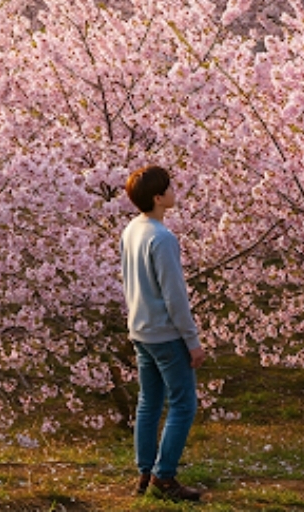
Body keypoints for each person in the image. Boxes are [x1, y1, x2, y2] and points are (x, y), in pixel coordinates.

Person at [120, 165, 206, 502]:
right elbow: (175, 297)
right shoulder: (162, 238)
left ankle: (145, 472)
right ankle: (164, 476)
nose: (173, 191)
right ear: (158, 198)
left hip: (140, 330)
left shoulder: (132, 230)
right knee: (184, 404)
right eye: (169, 187)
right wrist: (192, 341)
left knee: (149, 403)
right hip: (166, 334)